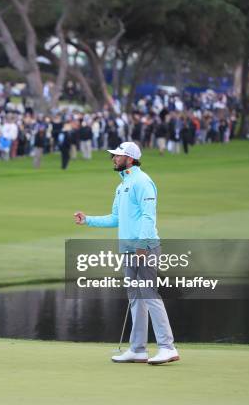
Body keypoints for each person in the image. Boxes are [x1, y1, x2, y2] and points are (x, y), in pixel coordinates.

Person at [73, 142, 179, 365]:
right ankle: (138, 349)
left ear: (130, 159)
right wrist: (88, 220)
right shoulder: (122, 185)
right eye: (113, 155)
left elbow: (149, 217)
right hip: (128, 250)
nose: (113, 158)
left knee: (149, 295)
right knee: (135, 299)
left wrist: (141, 246)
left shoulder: (143, 182)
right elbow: (116, 219)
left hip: (145, 248)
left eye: (118, 156)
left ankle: (167, 347)